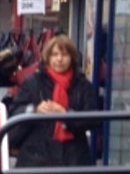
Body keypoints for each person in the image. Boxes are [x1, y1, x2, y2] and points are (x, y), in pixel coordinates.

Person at [8, 35, 97, 167]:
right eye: (55, 54)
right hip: (36, 158)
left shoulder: (82, 85)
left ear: (72, 57)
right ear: (47, 57)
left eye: (64, 55)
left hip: (73, 158)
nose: (59, 59)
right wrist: (35, 109)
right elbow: (14, 112)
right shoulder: (33, 82)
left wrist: (65, 114)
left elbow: (92, 119)